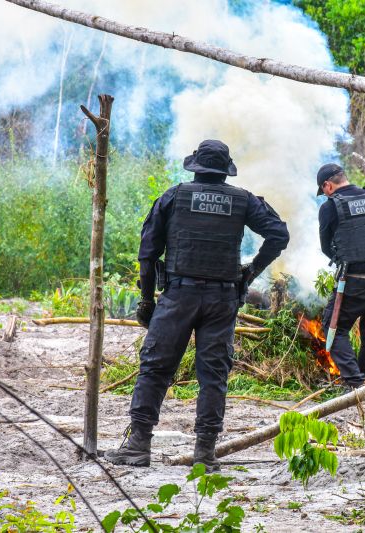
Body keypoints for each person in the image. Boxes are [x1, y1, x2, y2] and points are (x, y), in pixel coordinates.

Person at [105, 140, 289, 470]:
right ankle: (205, 454)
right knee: (213, 376)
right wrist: (250, 272)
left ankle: (138, 446)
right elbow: (279, 235)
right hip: (222, 300)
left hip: (179, 296)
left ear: (196, 167)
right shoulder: (243, 200)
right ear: (224, 171)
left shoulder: (174, 196)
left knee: (155, 369)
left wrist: (146, 299)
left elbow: (148, 254)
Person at [316, 163, 365, 390]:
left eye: (324, 191)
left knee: (334, 328)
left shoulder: (330, 207)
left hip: (354, 283)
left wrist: (344, 259)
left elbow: (326, 247)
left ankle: (354, 383)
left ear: (327, 185)